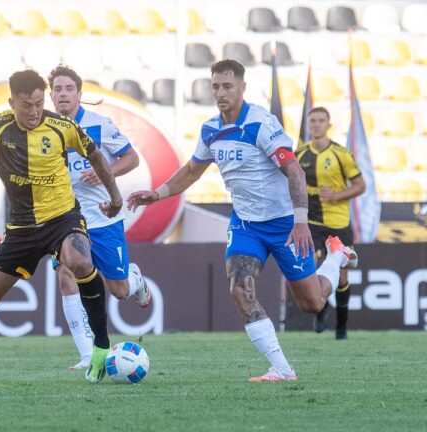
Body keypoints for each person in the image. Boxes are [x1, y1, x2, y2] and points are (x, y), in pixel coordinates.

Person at [126, 60, 357, 382]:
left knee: (312, 304)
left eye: (227, 86)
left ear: (242, 87)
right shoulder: (210, 129)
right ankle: (281, 368)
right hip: (246, 225)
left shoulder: (261, 124)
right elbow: (193, 169)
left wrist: (301, 220)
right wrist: (159, 192)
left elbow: (293, 170)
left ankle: (336, 257)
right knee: (240, 289)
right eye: (216, 87)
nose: (221, 93)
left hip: (284, 224)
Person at [0, 69, 123, 384]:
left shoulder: (62, 127)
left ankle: (100, 346)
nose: (34, 111)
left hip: (62, 218)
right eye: (26, 105)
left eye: (39, 103)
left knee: (80, 262)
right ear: (12, 101)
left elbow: (96, 156)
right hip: (21, 229)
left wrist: (115, 196)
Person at [48, 65, 150, 370]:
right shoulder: (44, 129)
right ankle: (86, 355)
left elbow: (131, 158)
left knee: (118, 290)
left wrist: (105, 171)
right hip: (65, 219)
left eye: (69, 89)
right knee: (66, 274)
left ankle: (136, 280)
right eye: (57, 89)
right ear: (50, 95)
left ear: (79, 94)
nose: (63, 94)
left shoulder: (99, 125)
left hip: (103, 217)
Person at [296, 107, 365, 340]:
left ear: (329, 125)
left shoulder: (340, 154)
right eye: (312, 121)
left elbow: (360, 185)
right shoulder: (300, 154)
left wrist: (336, 196)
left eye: (320, 120)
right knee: (311, 268)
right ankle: (322, 306)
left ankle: (341, 328)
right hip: (312, 223)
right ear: (308, 125)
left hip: (338, 223)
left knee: (343, 276)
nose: (316, 124)